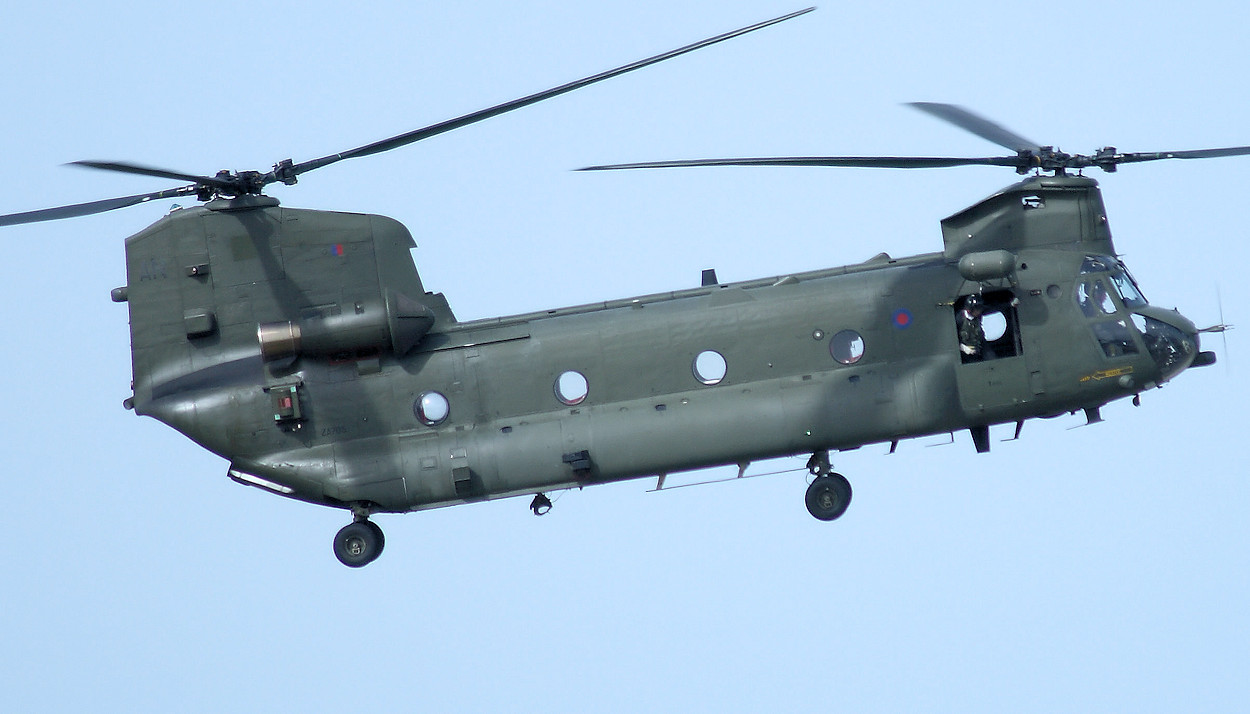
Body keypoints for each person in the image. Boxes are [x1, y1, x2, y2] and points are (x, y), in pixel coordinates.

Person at [957, 294, 985, 360]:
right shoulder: (959, 318)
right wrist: (963, 348)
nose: (979, 312)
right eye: (977, 309)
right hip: (965, 350)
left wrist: (1011, 304)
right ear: (969, 310)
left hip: (979, 346)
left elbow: (993, 307)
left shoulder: (978, 316)